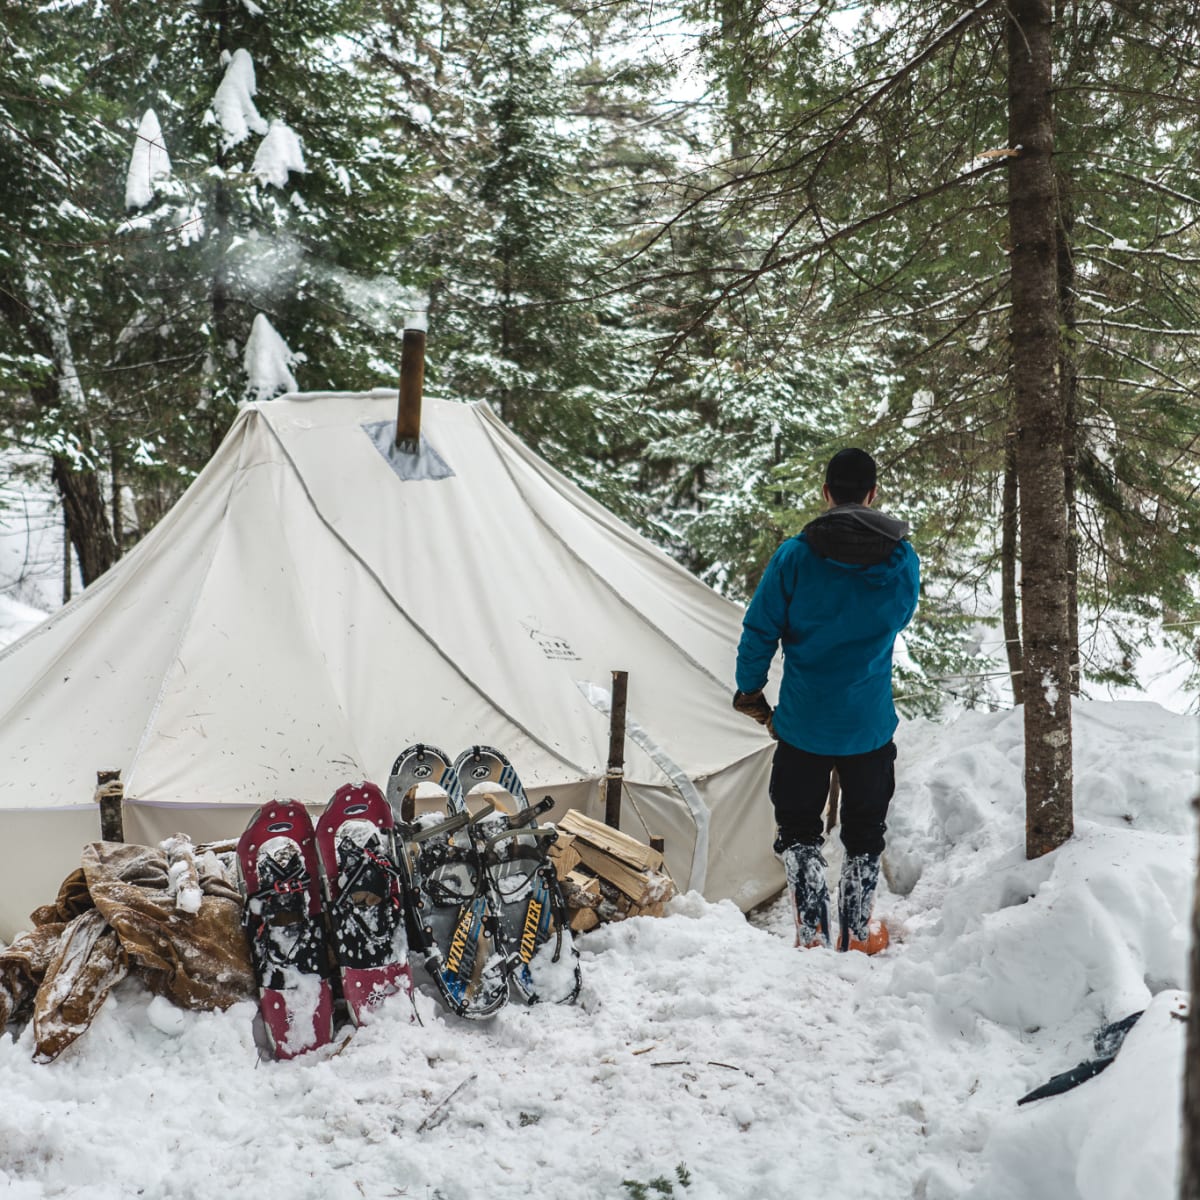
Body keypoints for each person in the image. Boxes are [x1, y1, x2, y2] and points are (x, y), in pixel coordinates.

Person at [732, 448, 919, 953]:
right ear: (873, 493)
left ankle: (811, 931)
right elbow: (899, 618)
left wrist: (750, 692)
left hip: (803, 724)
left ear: (826, 492)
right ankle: (857, 934)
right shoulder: (902, 557)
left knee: (798, 829)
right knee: (864, 833)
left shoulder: (795, 555)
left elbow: (759, 630)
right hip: (869, 725)